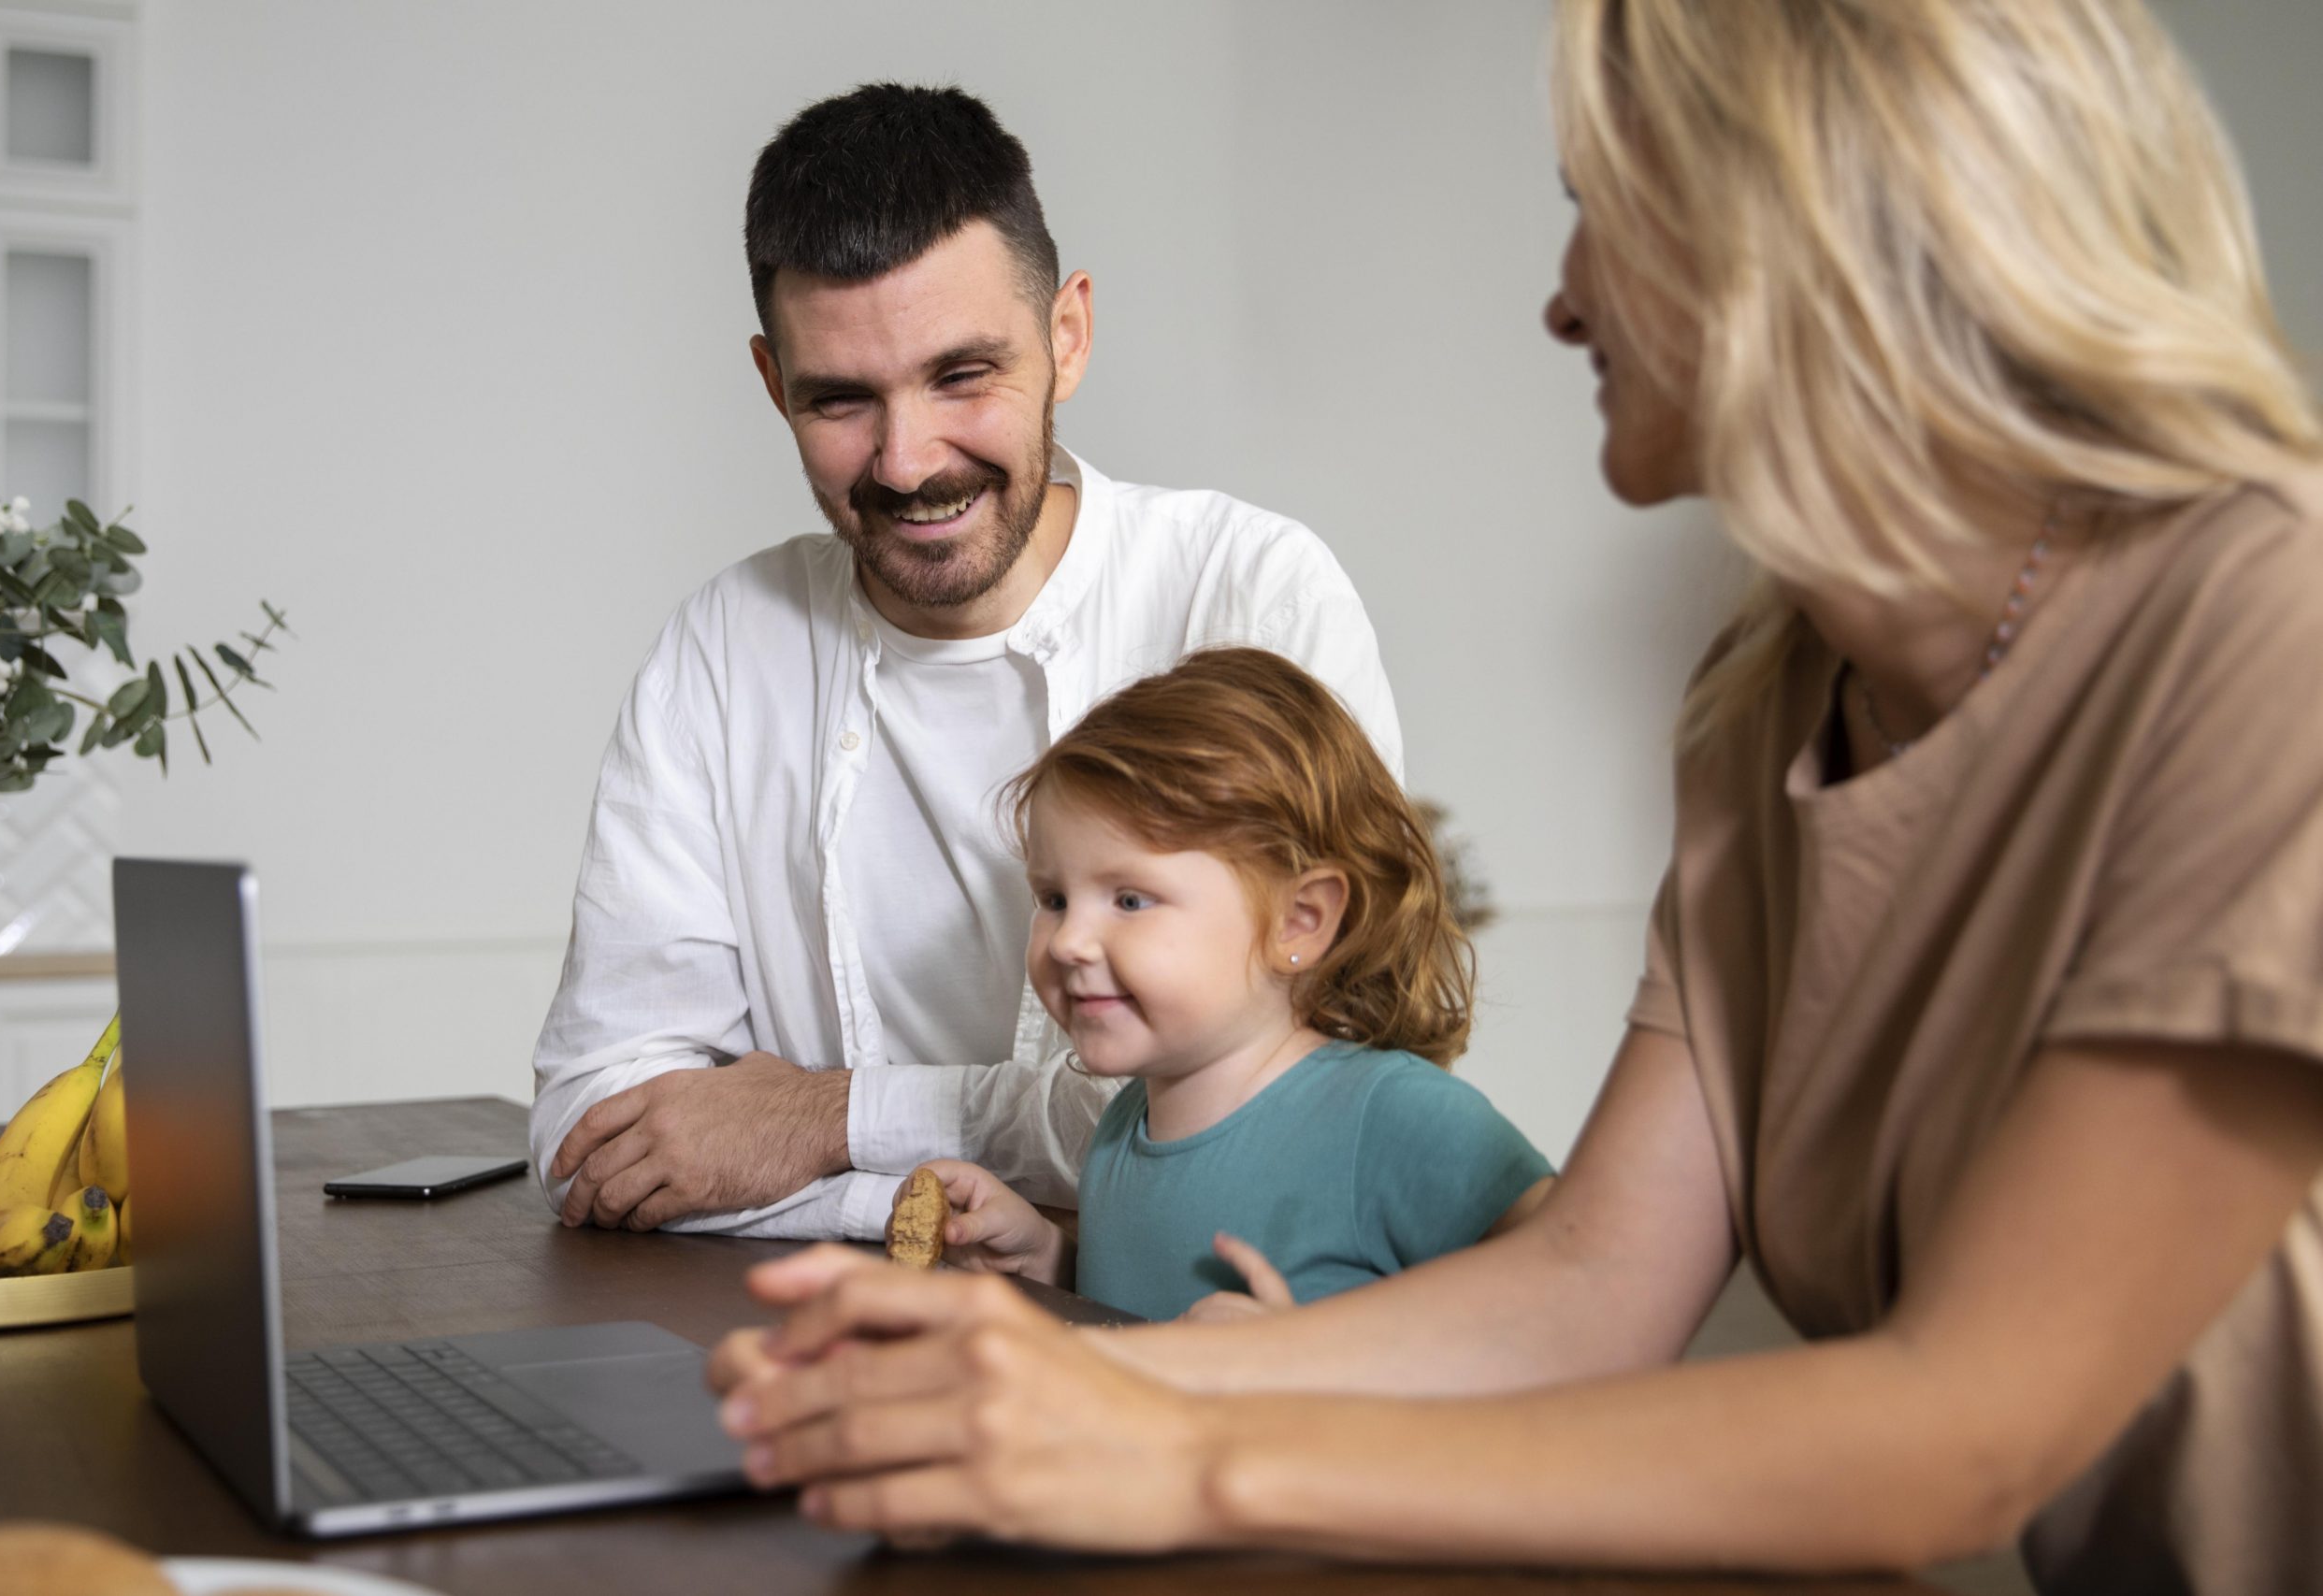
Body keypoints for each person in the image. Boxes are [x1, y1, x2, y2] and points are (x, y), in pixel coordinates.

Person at [705, 3, 2323, 1589]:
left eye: (1600, 218)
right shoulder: (1768, 703)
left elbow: (1958, 1432)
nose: (1562, 301)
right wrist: (1038, 1378)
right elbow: (1590, 1281)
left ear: (1796, 237)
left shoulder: (2270, 623)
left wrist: (1180, 1449)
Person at [528, 83, 1400, 1242]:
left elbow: (1309, 1106)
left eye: (961, 376)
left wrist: (831, 1119)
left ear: (1068, 335)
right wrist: (947, 1209)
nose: (905, 461)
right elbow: (599, 1132)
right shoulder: (722, 645)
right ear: (771, 381)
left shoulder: (1249, 593)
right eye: (840, 398)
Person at [911, 648, 1551, 1321]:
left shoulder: (1397, 1119)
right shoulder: (1124, 1128)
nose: (1068, 940)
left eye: (1130, 899)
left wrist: (1307, 1360)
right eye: (1054, 898)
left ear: (1298, 922)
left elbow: (1586, 1314)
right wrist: (1049, 1258)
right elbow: (1147, 1312)